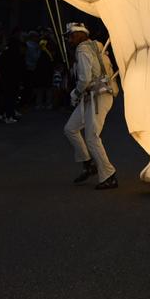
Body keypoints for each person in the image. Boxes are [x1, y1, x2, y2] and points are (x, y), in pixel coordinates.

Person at [60, 22, 120, 189]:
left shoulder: (82, 49)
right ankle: (88, 164)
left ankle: (109, 175)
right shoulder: (95, 46)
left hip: (98, 97)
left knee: (92, 137)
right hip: (93, 96)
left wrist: (76, 93)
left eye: (70, 36)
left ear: (77, 35)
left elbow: (85, 78)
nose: (69, 40)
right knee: (70, 128)